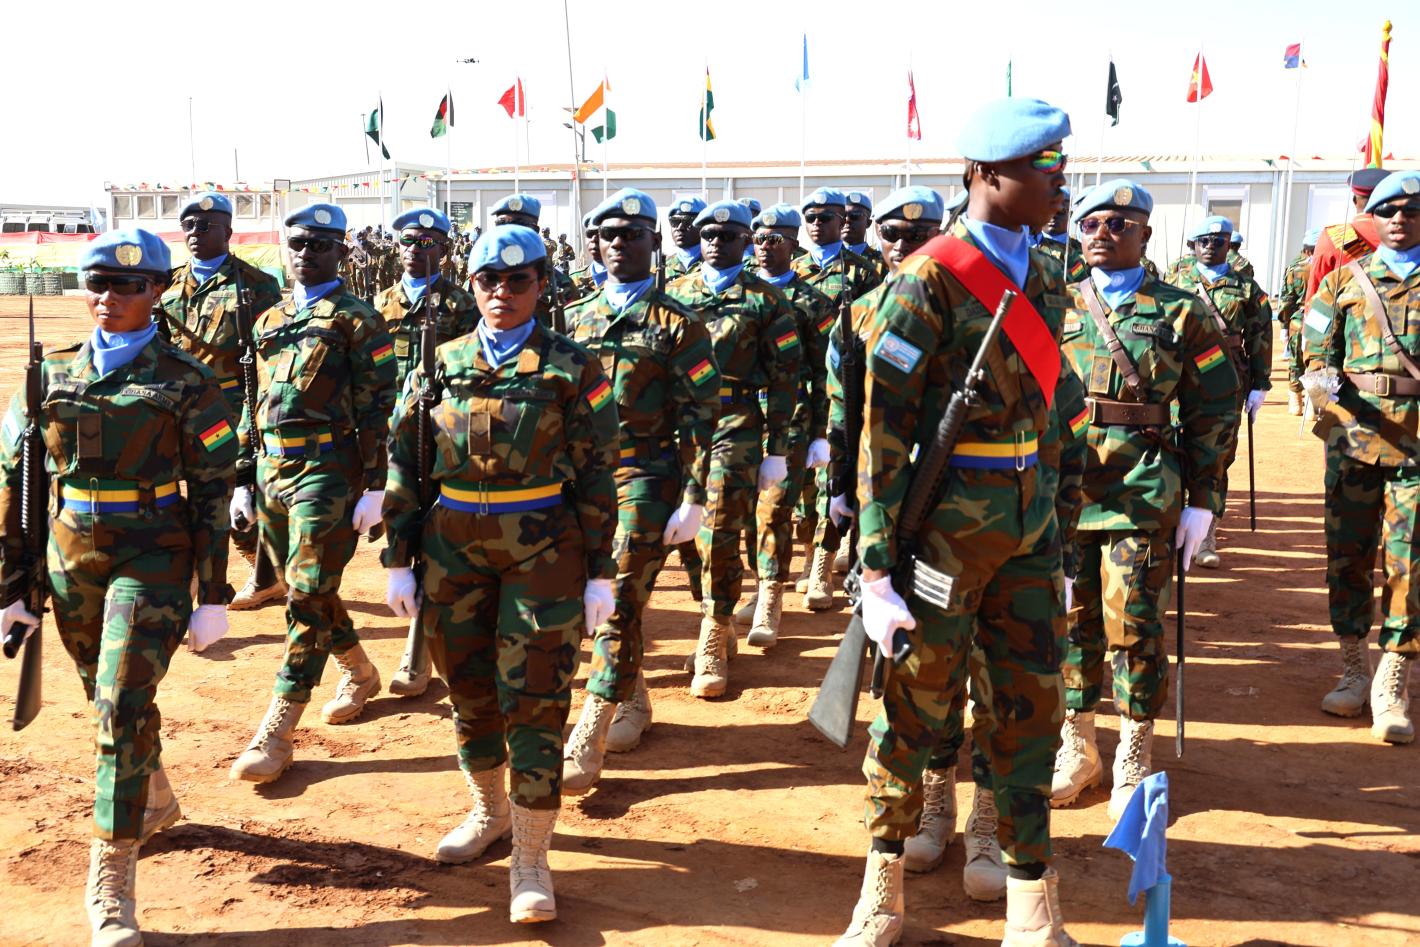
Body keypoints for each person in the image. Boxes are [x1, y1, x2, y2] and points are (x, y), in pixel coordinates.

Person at [834, 97, 1081, 947]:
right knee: (913, 711)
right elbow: (881, 437)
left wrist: (1062, 529)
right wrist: (873, 569)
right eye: (1041, 170)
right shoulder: (926, 280)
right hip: (939, 536)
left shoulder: (1047, 275)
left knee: (1029, 711)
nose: (1059, 184)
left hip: (1025, 531)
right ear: (983, 175)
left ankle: (1029, 905)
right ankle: (883, 887)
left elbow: (1060, 417)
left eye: (1059, 168)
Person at [1, 228, 236, 947]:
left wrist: (215, 591)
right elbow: (18, 481)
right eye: (98, 282)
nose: (110, 297)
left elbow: (212, 488)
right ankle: (154, 794)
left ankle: (111, 884)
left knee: (119, 704)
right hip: (70, 555)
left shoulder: (190, 380)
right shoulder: (49, 373)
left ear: (158, 291)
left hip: (154, 553)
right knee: (108, 701)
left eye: (129, 286)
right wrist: (14, 584)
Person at [382, 225, 619, 922]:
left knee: (537, 696)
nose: (502, 293)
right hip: (453, 547)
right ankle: (488, 809)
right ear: (472, 284)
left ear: (542, 285)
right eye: (490, 279)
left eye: (518, 281)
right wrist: (398, 556)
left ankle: (531, 855)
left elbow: (600, 474)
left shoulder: (574, 366)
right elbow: (405, 459)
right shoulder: (441, 361)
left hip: (544, 549)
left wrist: (602, 572)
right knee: (467, 684)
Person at [1050, 181, 1239, 823]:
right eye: (1092, 224)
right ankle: (1079, 742)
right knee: (1071, 619)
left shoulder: (1182, 311)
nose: (1103, 234)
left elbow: (1214, 407)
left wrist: (1204, 499)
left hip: (1142, 486)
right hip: (1066, 486)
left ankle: (1134, 751)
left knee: (1132, 622)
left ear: (1145, 236)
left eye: (1119, 225)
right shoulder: (1055, 305)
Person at [229, 203, 398, 784]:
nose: (308, 254)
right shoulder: (268, 320)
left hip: (327, 467)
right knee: (312, 585)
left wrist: (378, 484)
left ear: (341, 252)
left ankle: (277, 728)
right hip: (272, 469)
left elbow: (381, 406)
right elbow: (252, 399)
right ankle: (359, 668)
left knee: (304, 594)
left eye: (321, 245)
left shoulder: (359, 319)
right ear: (286, 247)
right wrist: (243, 475)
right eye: (299, 243)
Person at [559, 188, 720, 791]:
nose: (620, 244)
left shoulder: (679, 324)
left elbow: (706, 419)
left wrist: (695, 497)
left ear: (654, 242)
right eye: (609, 235)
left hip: (647, 476)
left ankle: (590, 728)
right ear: (595, 245)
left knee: (618, 598)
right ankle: (634, 696)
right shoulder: (573, 319)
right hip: (580, 480)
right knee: (580, 594)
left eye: (633, 234)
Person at [1302, 169, 1420, 745]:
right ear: (1372, 216)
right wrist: (1320, 398)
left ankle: (1392, 681)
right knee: (1348, 555)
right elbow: (1316, 350)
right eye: (1388, 209)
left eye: (1413, 209)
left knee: (1409, 560)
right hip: (1352, 440)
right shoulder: (1343, 282)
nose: (1400, 218)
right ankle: (1354, 666)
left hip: (1417, 445)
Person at [665, 200, 801, 698]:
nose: (717, 243)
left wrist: (779, 449)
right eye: (709, 236)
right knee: (685, 537)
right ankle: (715, 614)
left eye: (729, 236)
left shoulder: (767, 302)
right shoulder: (673, 294)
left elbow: (787, 380)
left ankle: (713, 633)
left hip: (735, 423)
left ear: (747, 242)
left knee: (719, 529)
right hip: (679, 427)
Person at [157, 192, 286, 614]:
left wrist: (254, 420)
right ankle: (211, 581)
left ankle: (263, 572)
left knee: (235, 501)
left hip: (231, 407)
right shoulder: (167, 284)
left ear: (228, 232)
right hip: (177, 408)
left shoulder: (257, 285)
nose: (197, 233)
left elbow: (266, 362)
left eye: (208, 226)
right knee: (182, 502)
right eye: (190, 225)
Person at [371, 207, 479, 697]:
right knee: (401, 524)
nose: (418, 249)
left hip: (446, 430)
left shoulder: (462, 304)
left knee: (439, 529)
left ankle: (420, 644)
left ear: (446, 249)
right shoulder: (378, 304)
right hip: (395, 433)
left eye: (430, 242)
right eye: (410, 240)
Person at [734, 203, 832, 645]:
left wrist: (821, 434)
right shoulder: (738, 295)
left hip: (790, 418)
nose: (764, 247)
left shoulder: (813, 302)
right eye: (758, 239)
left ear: (794, 244)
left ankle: (770, 598)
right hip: (739, 419)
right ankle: (758, 585)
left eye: (774, 240)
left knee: (774, 509)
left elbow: (825, 372)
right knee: (743, 515)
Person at [1164, 216, 1272, 568]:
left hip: (1227, 381)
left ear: (1229, 245)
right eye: (1204, 240)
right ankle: (1172, 527)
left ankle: (1207, 532)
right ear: (1193, 245)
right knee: (1174, 448)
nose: (1211, 245)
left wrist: (1260, 384)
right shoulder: (1173, 282)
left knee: (1217, 453)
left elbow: (1260, 337)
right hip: (1179, 379)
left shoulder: (1247, 289)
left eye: (1219, 240)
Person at [792, 187, 881, 609]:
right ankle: (808, 551)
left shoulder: (864, 270)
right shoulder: (793, 271)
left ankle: (822, 568)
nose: (824, 223)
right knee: (803, 480)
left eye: (831, 216)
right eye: (811, 216)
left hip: (845, 383)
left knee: (835, 472)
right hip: (802, 387)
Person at [1306, 168, 1390, 302]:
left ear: (1354, 200)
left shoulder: (1334, 236)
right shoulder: (1407, 237)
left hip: (1348, 321)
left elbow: (1315, 296)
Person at [490, 194, 576, 324]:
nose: (511, 231)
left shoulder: (561, 285)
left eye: (520, 225)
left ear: (535, 230)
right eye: (502, 224)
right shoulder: (481, 280)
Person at [1276, 230, 1320, 416]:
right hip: (1320, 318)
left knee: (1296, 360)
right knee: (1317, 359)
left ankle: (1296, 400)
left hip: (1298, 319)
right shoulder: (1331, 264)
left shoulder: (1295, 267)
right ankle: (1313, 403)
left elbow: (1286, 300)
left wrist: (1284, 326)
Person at [1032, 187, 1087, 284]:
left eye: (1059, 212)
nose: (1053, 217)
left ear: (1070, 215)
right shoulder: (1033, 246)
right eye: (1049, 211)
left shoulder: (1083, 250)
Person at [663, 196, 707, 281]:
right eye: (674, 222)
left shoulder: (714, 265)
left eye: (688, 222)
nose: (680, 228)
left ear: (703, 226)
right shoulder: (661, 268)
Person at [844, 190, 886, 278]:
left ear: (868, 223)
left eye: (855, 215)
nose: (847, 220)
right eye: (843, 215)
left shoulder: (882, 262)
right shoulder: (826, 260)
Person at [568, 212, 607, 297]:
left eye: (600, 234)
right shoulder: (573, 280)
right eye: (590, 234)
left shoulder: (631, 279)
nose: (593, 239)